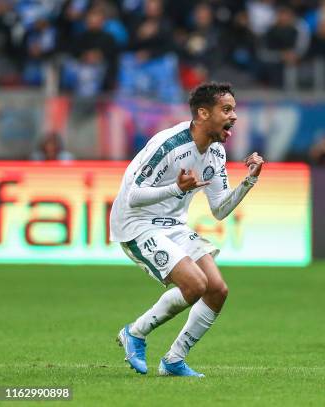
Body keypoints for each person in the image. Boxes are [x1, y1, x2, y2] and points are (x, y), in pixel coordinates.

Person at [110, 82, 264, 377]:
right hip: (137, 223)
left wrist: (249, 181)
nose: (234, 117)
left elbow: (219, 209)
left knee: (217, 290)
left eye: (233, 109)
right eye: (227, 110)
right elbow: (133, 196)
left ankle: (173, 360)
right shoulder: (169, 145)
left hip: (172, 225)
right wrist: (175, 188)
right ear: (203, 113)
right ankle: (135, 332)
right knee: (195, 285)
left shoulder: (216, 152)